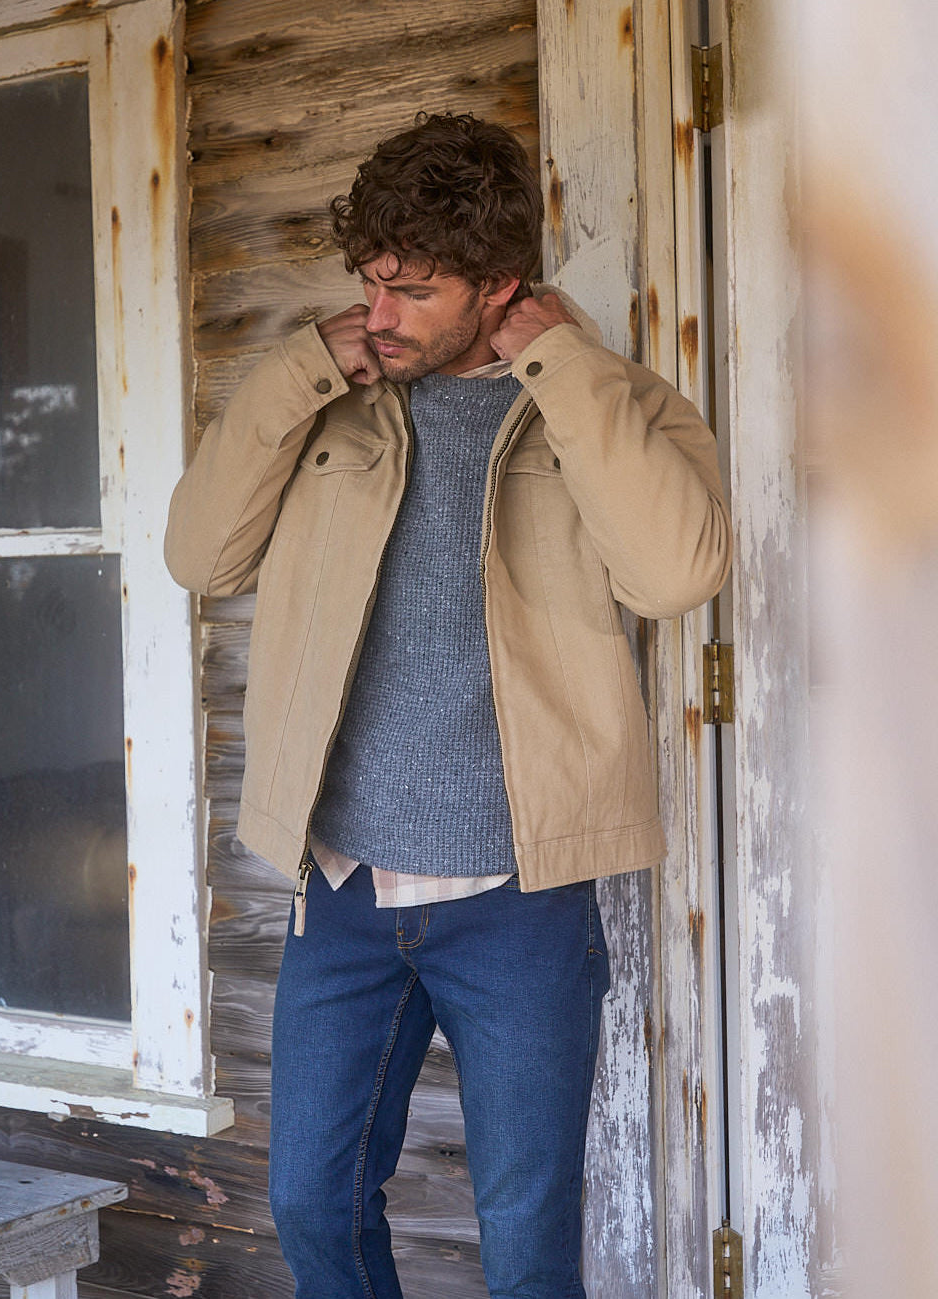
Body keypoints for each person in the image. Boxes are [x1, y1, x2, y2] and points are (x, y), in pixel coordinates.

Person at [165, 112, 731, 1299]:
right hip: (345, 887)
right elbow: (199, 556)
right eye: (370, 283)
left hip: (519, 898)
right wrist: (294, 367)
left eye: (412, 290)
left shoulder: (604, 401)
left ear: (499, 284)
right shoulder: (331, 397)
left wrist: (565, 362)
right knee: (312, 1205)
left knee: (526, 1235)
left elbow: (677, 574)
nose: (379, 315)